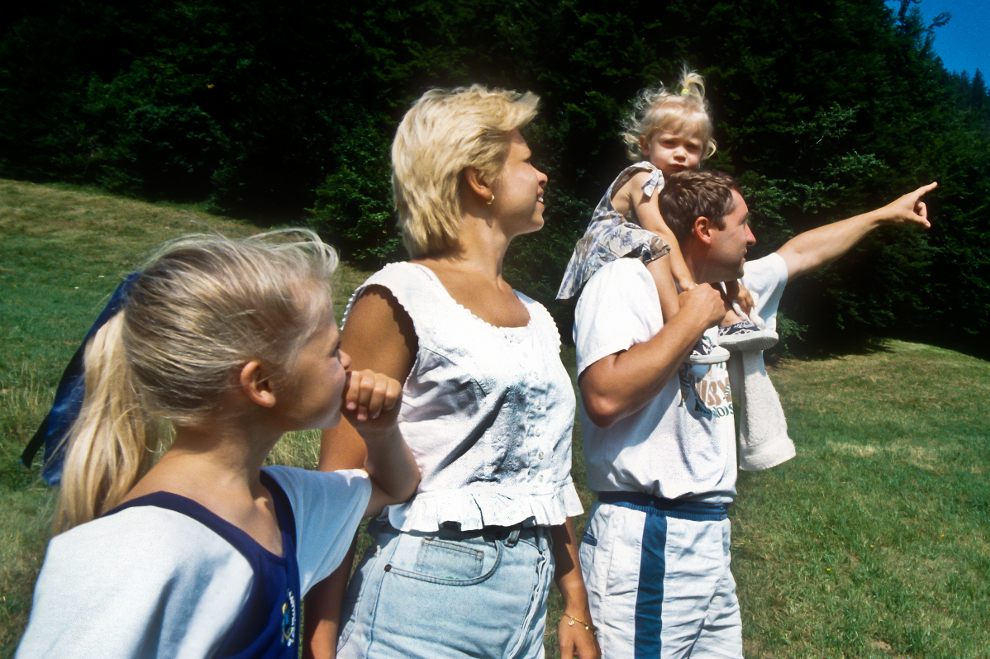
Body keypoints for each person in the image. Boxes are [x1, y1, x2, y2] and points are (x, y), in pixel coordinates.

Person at [573, 170, 934, 658]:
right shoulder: (626, 277)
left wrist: (883, 215)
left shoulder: (730, 295)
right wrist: (692, 318)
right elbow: (604, 397)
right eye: (742, 224)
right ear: (704, 229)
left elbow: (800, 253)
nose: (752, 237)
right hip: (650, 530)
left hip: (710, 535)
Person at [16, 230, 420, 659]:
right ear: (261, 383)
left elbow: (395, 488)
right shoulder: (135, 552)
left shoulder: (285, 505)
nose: (348, 361)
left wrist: (380, 431)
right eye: (331, 349)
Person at [305, 86, 600, 659]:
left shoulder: (536, 315)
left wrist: (576, 606)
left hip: (526, 599)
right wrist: (319, 643)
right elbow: (339, 487)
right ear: (479, 179)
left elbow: (545, 477)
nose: (543, 176)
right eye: (526, 160)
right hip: (422, 600)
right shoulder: (399, 295)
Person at [557, 71, 775, 363]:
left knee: (693, 247)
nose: (680, 154)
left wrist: (734, 284)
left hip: (642, 246)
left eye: (691, 147)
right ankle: (682, 327)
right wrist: (689, 286)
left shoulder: (679, 188)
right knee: (660, 247)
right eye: (670, 143)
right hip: (606, 244)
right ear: (646, 145)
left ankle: (728, 319)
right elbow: (657, 230)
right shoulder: (644, 176)